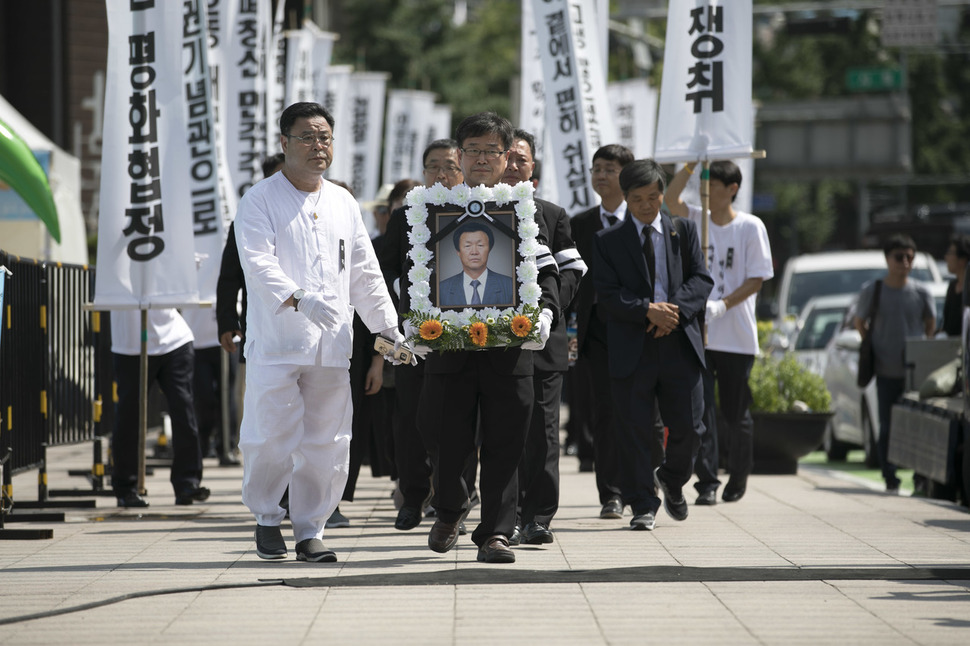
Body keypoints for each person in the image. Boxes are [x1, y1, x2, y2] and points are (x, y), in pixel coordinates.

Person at [234, 101, 403, 563]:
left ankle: (311, 528)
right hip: (279, 341)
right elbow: (258, 262)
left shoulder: (343, 202)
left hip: (333, 346)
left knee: (327, 440)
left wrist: (390, 330)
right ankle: (268, 518)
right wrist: (301, 299)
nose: (318, 146)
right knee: (271, 435)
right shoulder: (259, 199)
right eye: (307, 137)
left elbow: (365, 274)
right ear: (284, 143)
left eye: (325, 137)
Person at [420, 112, 559, 563]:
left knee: (505, 442)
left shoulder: (526, 210)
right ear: (458, 156)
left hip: (508, 350)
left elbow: (549, 272)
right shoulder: (431, 207)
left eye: (491, 151)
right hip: (448, 349)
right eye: (473, 150)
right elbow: (413, 269)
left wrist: (547, 314)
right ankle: (450, 510)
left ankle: (496, 532)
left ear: (506, 157)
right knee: (446, 439)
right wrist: (411, 320)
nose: (482, 158)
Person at [591, 159, 713, 531]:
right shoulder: (607, 241)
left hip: (679, 343)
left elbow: (701, 280)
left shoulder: (684, 230)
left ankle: (673, 480)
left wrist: (671, 313)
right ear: (626, 198)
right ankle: (642, 502)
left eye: (654, 196)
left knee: (691, 429)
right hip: (633, 346)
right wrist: (647, 312)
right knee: (633, 430)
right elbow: (607, 296)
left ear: (663, 194)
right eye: (639, 198)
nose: (648, 205)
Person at [665, 160, 774, 505]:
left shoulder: (750, 227)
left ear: (733, 189)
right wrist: (691, 164)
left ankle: (738, 475)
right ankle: (707, 481)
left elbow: (756, 278)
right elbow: (670, 198)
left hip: (735, 334)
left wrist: (723, 305)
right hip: (699, 331)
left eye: (713, 187)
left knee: (735, 411)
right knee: (702, 411)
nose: (706, 193)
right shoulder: (697, 218)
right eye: (704, 187)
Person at [504, 128, 585, 546]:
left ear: (533, 166)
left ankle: (538, 516)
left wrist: (550, 311)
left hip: (543, 343)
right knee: (504, 432)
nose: (514, 164)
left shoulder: (552, 215)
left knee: (543, 431)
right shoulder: (476, 211)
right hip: (495, 343)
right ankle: (505, 516)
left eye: (522, 158)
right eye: (507, 156)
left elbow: (572, 269)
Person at [379, 139, 464, 532]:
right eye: (434, 167)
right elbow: (383, 268)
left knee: (460, 422)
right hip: (413, 336)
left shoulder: (476, 210)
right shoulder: (406, 215)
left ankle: (458, 500)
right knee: (411, 417)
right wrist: (406, 292)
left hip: (466, 337)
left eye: (449, 166)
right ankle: (412, 498)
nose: (442, 174)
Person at [567, 144, 634, 519]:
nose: (601, 175)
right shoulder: (579, 224)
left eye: (609, 168)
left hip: (640, 329)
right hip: (596, 333)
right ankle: (611, 493)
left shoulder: (644, 217)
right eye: (596, 169)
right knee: (604, 412)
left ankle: (646, 477)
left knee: (644, 412)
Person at [854, 234, 935, 493]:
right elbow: (859, 321)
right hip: (885, 369)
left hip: (914, 372)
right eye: (899, 257)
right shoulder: (874, 289)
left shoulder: (922, 292)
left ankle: (920, 477)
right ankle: (890, 476)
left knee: (917, 425)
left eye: (910, 257)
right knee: (887, 425)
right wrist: (872, 344)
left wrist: (923, 348)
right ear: (887, 259)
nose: (905, 262)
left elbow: (930, 323)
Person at [110, 308, 210, 507]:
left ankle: (187, 482)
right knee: (129, 416)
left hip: (174, 339)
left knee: (184, 410)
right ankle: (126, 487)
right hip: (131, 344)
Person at [437, 221, 515, 307]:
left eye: (480, 245)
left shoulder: (510, 286)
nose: (474, 252)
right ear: (458, 251)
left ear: (489, 249)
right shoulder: (441, 289)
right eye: (467, 246)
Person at [940, 234, 970, 337]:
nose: (946, 257)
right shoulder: (952, 286)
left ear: (962, 259)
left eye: (950, 253)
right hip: (951, 348)